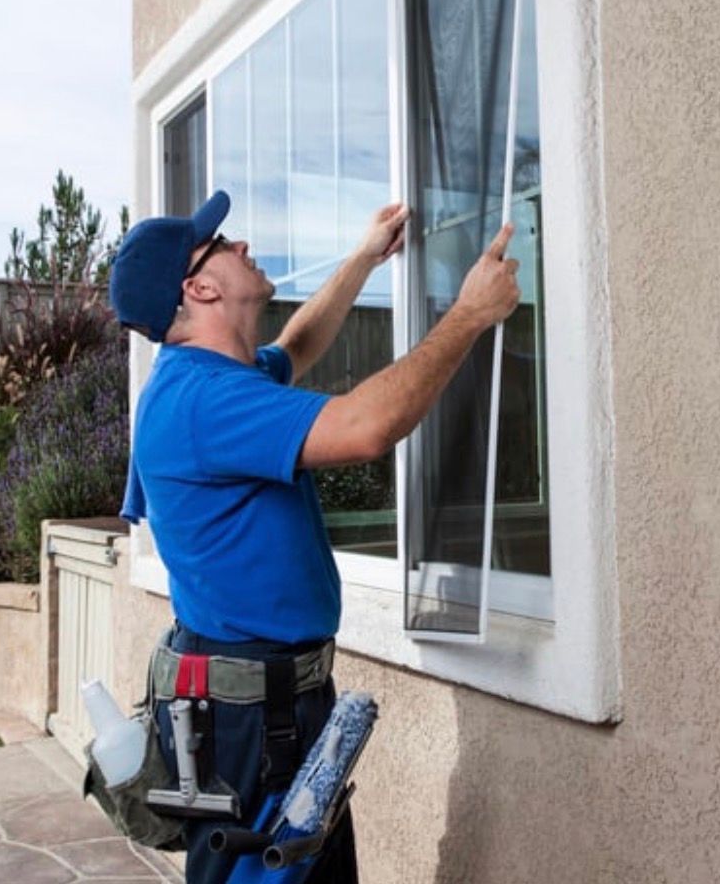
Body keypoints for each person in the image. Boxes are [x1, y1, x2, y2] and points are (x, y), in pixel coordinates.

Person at [108, 190, 519, 884]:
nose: (241, 246)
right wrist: (470, 314)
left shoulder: (221, 376)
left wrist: (361, 260)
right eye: (223, 244)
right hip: (247, 726)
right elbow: (366, 429)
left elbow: (297, 345)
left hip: (277, 706)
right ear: (200, 286)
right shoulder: (202, 402)